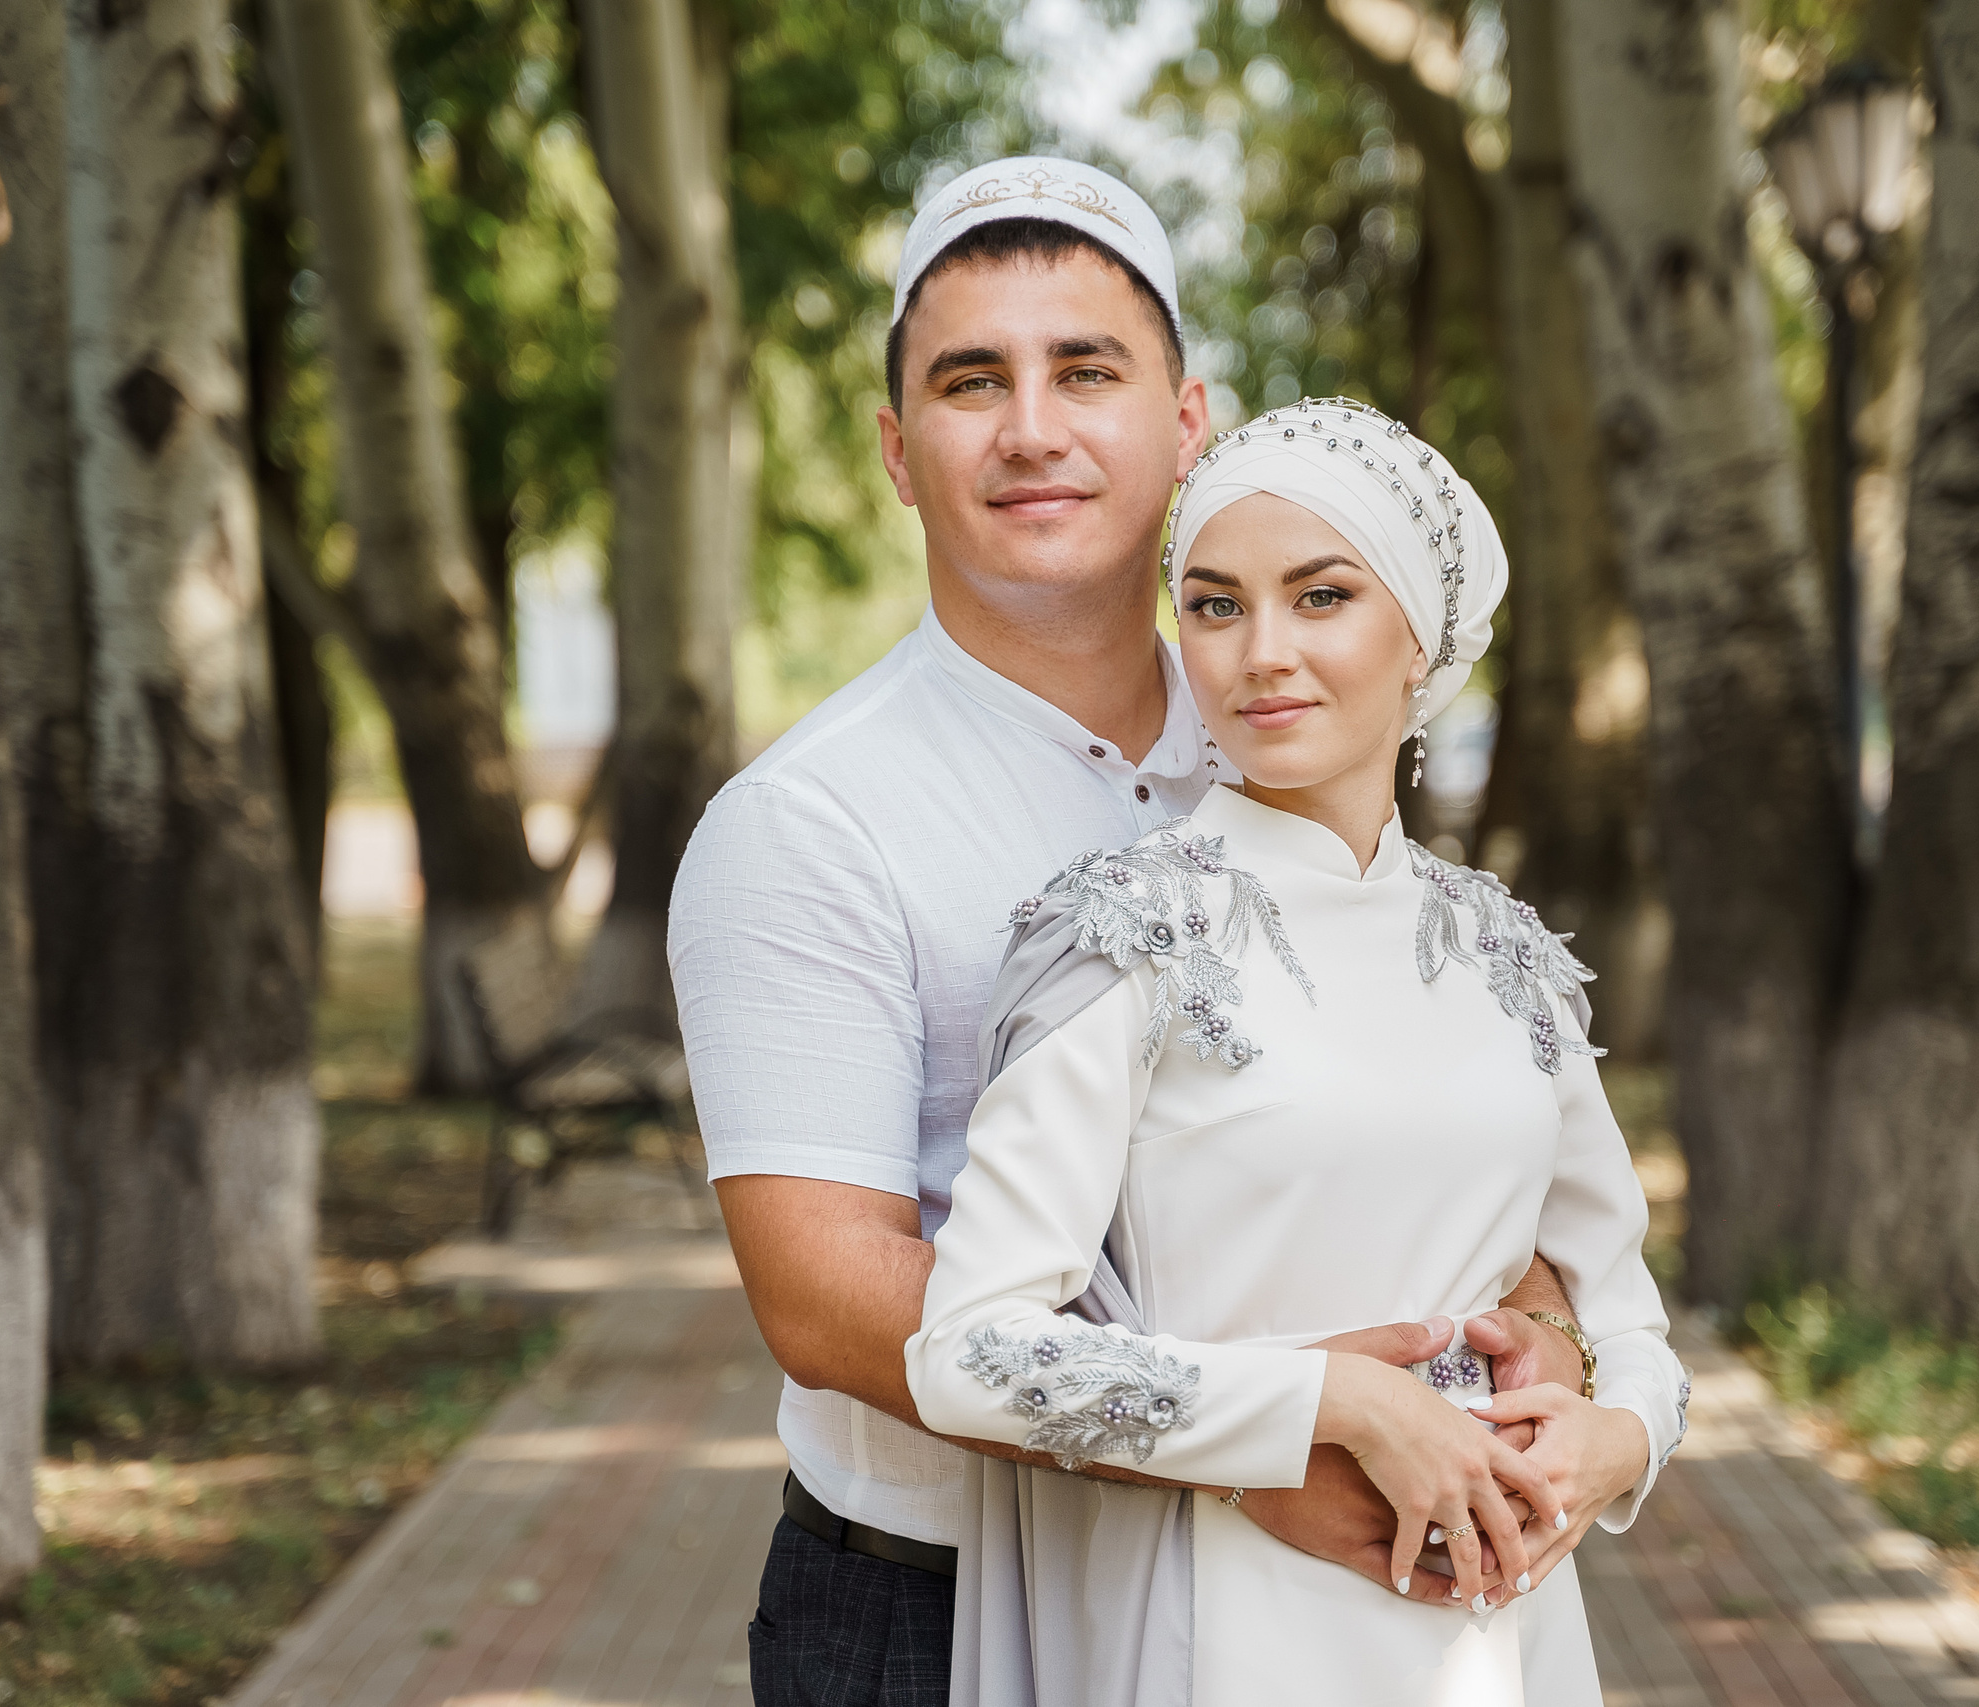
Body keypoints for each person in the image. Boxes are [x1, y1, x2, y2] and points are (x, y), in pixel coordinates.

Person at [668, 156, 1683, 1706]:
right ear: (893, 448)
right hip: (928, 1615)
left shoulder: (1292, 740)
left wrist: (1559, 1366)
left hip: (1389, 1594)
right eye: (968, 382)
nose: (1032, 427)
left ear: (1188, 419)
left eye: (1087, 369)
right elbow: (824, 1297)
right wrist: (1269, 1441)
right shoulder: (807, 820)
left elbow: (1503, 1195)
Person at [905, 398, 1686, 1705]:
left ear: (1421, 635)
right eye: (1214, 605)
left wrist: (1619, 1440)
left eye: (1321, 597)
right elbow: (970, 1354)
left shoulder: (1509, 957)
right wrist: (1330, 1406)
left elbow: (1625, 1311)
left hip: (1502, 1637)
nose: (1261, 653)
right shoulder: (1124, 933)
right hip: (1230, 1630)